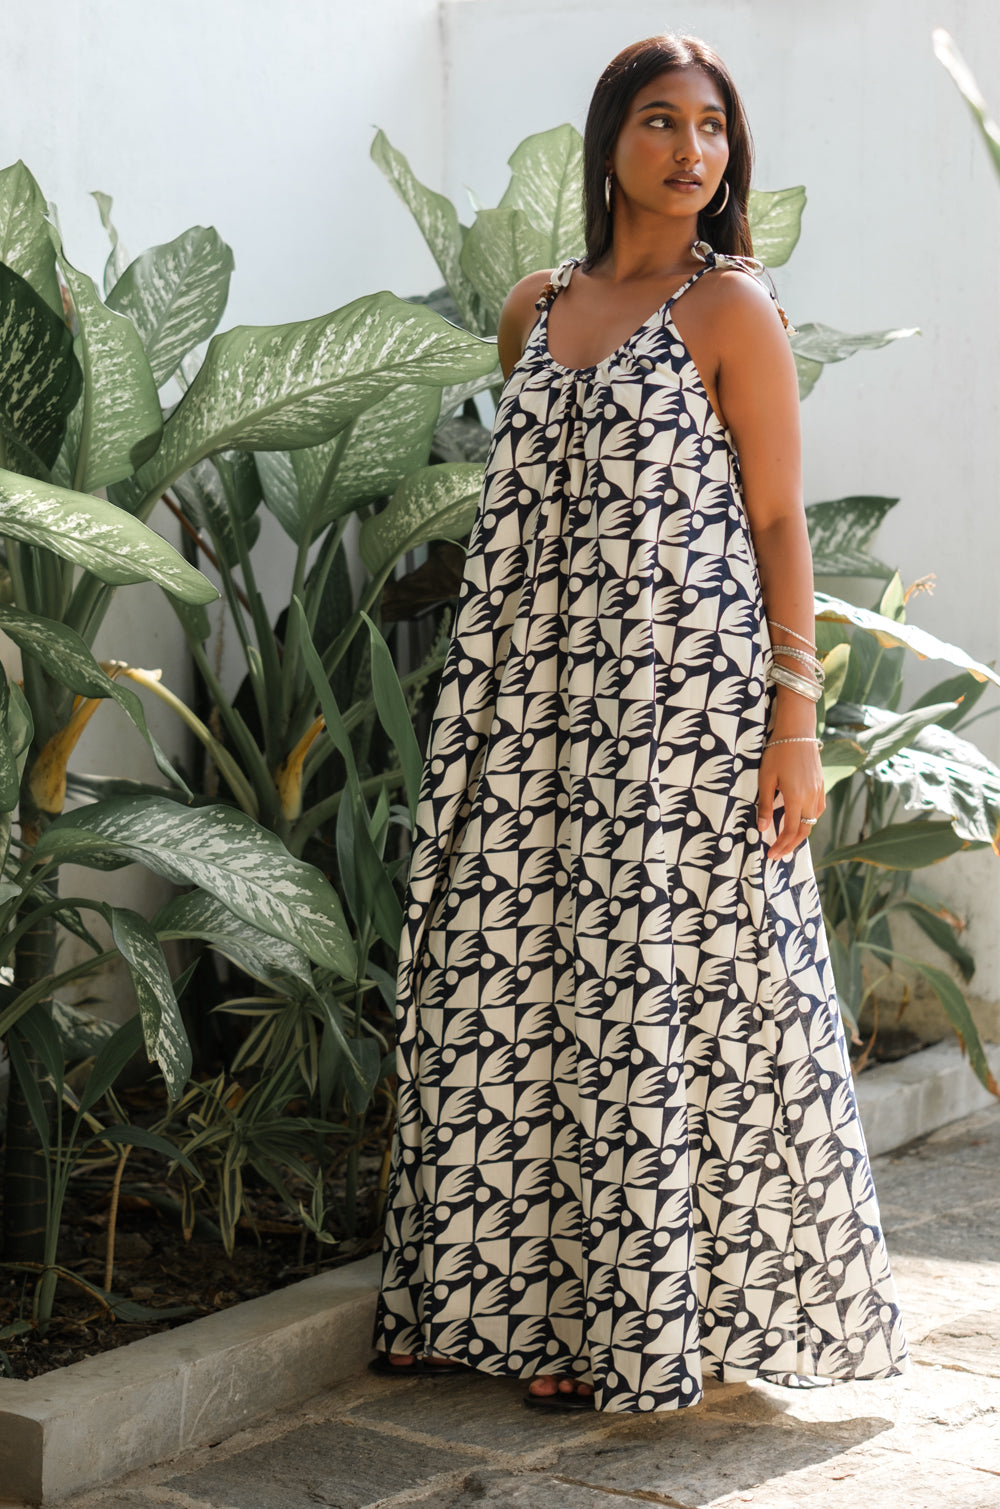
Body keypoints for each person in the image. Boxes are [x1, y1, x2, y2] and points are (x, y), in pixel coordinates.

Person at [370, 32, 908, 1413]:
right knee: (516, 978)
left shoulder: (731, 310)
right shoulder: (533, 309)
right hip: (528, 702)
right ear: (609, 138)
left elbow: (778, 521)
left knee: (654, 992)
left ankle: (625, 1320)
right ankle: (500, 1301)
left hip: (683, 708)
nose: (692, 150)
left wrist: (796, 724)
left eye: (712, 128)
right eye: (663, 121)